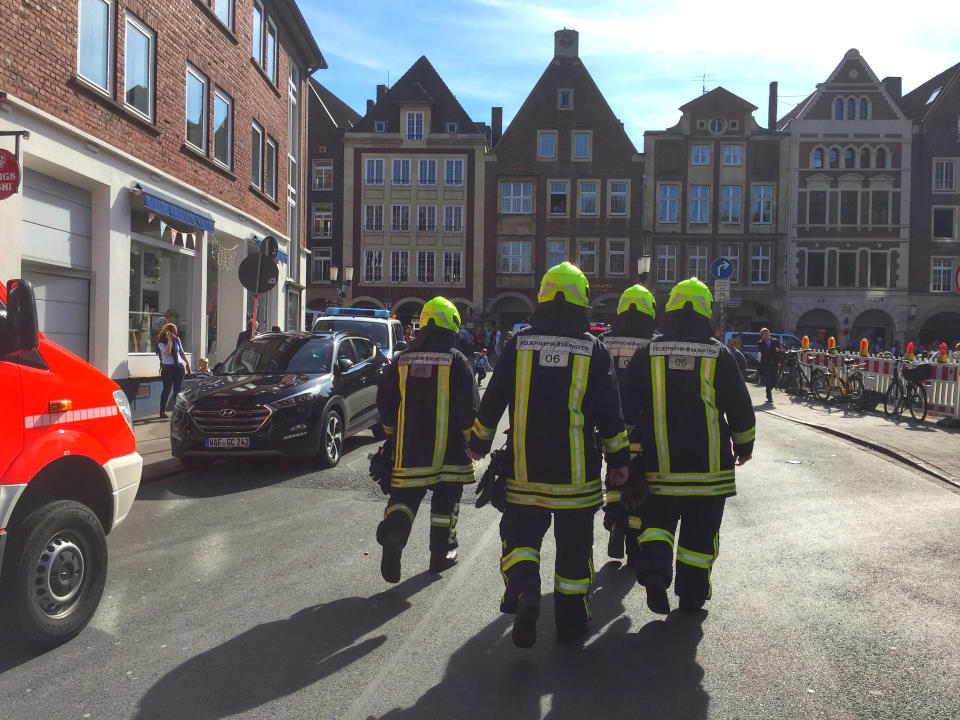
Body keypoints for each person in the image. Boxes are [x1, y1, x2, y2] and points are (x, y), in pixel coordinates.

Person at [467, 262, 630, 648]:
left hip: (525, 472)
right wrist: (619, 462)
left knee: (521, 537)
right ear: (581, 301)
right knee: (574, 550)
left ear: (543, 297)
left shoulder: (518, 344)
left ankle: (524, 591)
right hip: (577, 477)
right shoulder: (593, 349)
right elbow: (611, 412)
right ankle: (571, 623)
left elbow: (493, 400)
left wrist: (477, 444)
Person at [620, 277, 755, 615]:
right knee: (699, 536)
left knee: (656, 524)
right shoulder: (719, 354)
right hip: (709, 472)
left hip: (659, 466)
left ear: (669, 310)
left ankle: (654, 573)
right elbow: (739, 406)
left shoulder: (648, 352)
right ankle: (692, 595)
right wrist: (744, 444)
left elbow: (627, 404)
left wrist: (624, 447)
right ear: (706, 310)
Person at [376, 297, 480, 583]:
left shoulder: (401, 360)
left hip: (408, 451)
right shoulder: (456, 361)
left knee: (404, 498)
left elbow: (385, 402)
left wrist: (390, 435)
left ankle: (395, 535)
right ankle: (440, 554)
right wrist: (475, 442)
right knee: (446, 502)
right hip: (451, 454)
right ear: (452, 325)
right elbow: (469, 407)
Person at [600, 284, 656, 565]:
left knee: (613, 474)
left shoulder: (604, 342)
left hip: (610, 427)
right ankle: (634, 542)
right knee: (638, 481)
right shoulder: (655, 344)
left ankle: (615, 524)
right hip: (644, 428)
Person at [158, 323, 190, 418]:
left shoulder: (177, 339)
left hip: (179, 367)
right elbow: (167, 352)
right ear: (169, 331)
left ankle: (177, 411)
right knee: (167, 389)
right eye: (175, 329)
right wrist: (169, 339)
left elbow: (181, 352)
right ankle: (162, 411)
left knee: (178, 390)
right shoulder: (161, 342)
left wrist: (187, 363)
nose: (177, 331)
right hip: (168, 368)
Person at [757, 328, 783, 403]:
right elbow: (764, 352)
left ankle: (768, 389)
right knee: (768, 379)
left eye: (767, 333)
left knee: (775, 381)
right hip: (765, 364)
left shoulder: (775, 341)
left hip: (774, 363)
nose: (766, 335)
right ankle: (769, 397)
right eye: (764, 334)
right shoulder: (760, 343)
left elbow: (782, 350)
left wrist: (779, 350)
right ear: (762, 335)